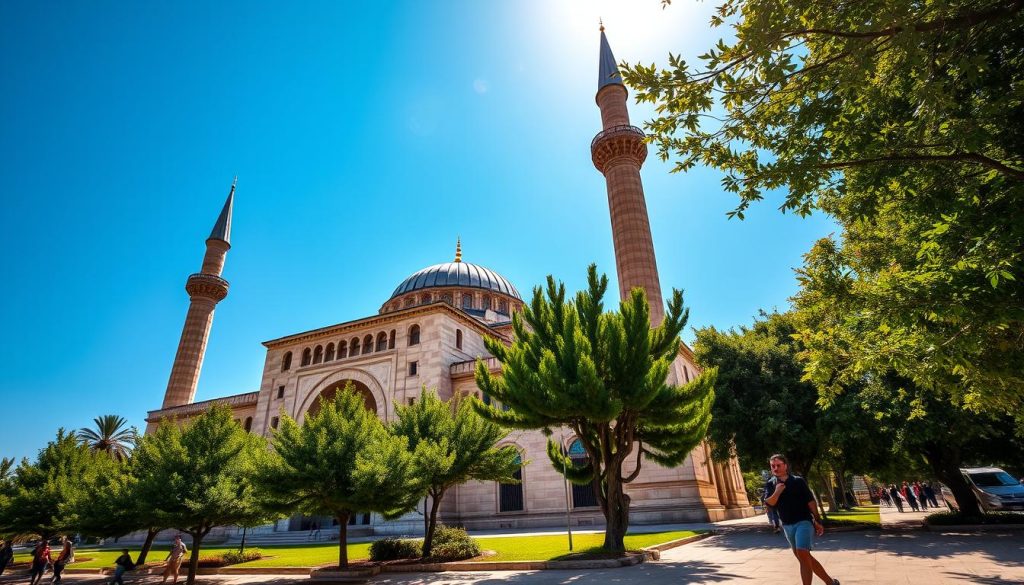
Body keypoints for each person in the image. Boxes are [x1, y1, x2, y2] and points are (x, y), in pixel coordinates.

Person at [764, 454, 840, 585]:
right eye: (773, 466)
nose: (775, 468)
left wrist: (817, 520)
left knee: (802, 553)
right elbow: (769, 504)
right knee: (804, 558)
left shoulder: (798, 481)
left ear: (785, 466)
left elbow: (810, 502)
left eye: (778, 465)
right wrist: (777, 492)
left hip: (804, 522)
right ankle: (831, 582)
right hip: (787, 525)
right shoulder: (770, 484)